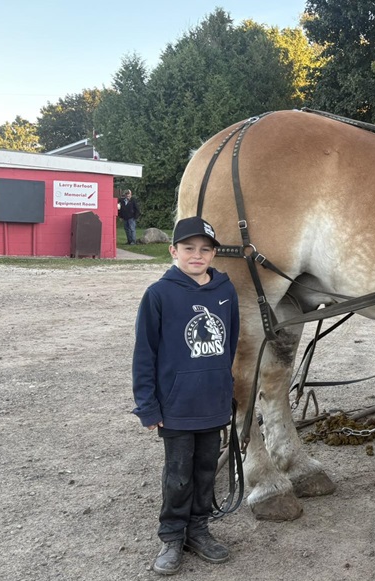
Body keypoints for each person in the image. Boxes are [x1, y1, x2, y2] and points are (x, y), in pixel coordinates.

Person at [132, 216, 240, 575]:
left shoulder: (225, 292)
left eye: (205, 249)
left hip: (212, 402)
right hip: (176, 407)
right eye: (189, 248)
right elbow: (145, 353)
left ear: (213, 253)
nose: (197, 255)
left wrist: (225, 390)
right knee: (178, 475)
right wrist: (148, 405)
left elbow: (229, 345)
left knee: (207, 471)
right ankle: (172, 535)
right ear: (173, 250)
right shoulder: (159, 295)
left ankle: (199, 530)